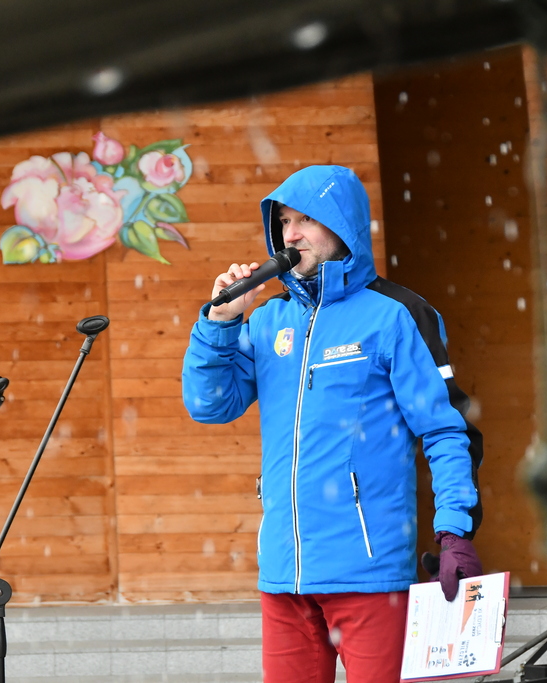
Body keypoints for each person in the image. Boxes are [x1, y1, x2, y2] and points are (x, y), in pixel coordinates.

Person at [182, 165, 483, 683]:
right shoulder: (268, 320)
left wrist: (454, 529)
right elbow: (210, 404)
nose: (291, 234)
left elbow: (444, 429)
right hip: (285, 576)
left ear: (342, 226)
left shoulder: (395, 314)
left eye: (307, 220)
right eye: (283, 222)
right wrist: (221, 324)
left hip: (368, 572)